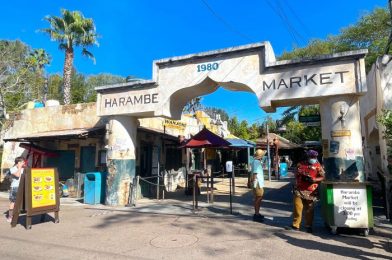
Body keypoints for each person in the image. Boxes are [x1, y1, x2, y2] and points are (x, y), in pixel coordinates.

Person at [286, 150, 325, 233]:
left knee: (309, 209)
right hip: (299, 190)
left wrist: (314, 179)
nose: (313, 159)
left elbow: (323, 177)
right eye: (311, 157)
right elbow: (295, 174)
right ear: (308, 157)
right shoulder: (300, 164)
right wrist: (300, 175)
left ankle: (309, 226)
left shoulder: (318, 166)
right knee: (297, 208)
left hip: (311, 191)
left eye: (314, 157)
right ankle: (295, 225)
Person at [6, 156, 25, 223]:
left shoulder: (23, 169)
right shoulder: (12, 169)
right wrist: (19, 167)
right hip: (14, 188)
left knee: (20, 203)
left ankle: (16, 215)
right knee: (13, 202)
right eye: (22, 162)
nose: (24, 163)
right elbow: (18, 175)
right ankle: (10, 217)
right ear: (19, 162)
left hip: (21, 187)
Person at [252, 149, 267, 222]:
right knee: (258, 198)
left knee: (259, 198)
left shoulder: (257, 162)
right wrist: (254, 181)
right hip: (258, 183)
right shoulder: (256, 162)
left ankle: (257, 213)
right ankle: (256, 214)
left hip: (258, 182)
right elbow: (255, 173)